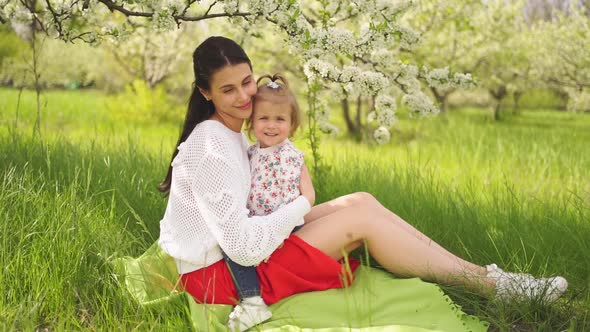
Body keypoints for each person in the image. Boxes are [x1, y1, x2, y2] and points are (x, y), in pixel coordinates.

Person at [157, 36, 568, 331]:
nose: (244, 96)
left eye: (246, 82)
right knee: (361, 222)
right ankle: (494, 286)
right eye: (227, 89)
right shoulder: (210, 144)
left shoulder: (231, 131)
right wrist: (303, 204)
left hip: (244, 250)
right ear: (204, 92)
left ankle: (483, 274)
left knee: (362, 201)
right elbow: (242, 247)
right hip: (223, 275)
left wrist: (294, 205)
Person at [220, 74, 312, 331]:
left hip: (283, 226)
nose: (271, 126)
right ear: (251, 123)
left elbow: (305, 197)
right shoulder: (250, 153)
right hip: (258, 223)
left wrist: (278, 227)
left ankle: (252, 301)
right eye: (263, 118)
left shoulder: (291, 155)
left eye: (279, 119)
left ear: (292, 125)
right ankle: (250, 294)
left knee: (236, 248)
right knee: (229, 240)